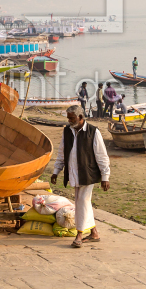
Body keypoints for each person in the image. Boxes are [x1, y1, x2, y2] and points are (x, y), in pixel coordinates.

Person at [50, 104, 110, 248]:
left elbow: (102, 156)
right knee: (82, 202)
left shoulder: (93, 132)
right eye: (68, 118)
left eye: (72, 118)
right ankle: (94, 232)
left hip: (88, 174)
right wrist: (56, 171)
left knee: (82, 201)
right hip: (74, 174)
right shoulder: (67, 132)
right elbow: (62, 153)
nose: (69, 121)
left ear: (80, 117)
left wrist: (105, 177)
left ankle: (79, 234)